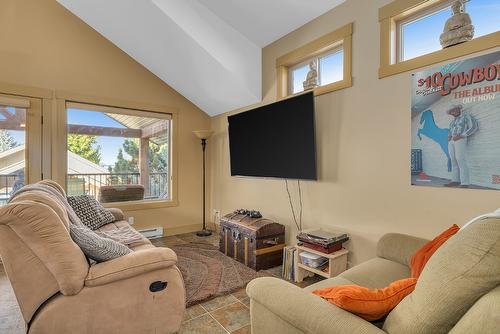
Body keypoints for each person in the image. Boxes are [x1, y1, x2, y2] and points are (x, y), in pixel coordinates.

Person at [444, 105, 478, 188]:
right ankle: (455, 180)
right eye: (451, 111)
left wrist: (462, 136)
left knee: (460, 159)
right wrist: (449, 136)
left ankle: (465, 183)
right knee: (453, 160)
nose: (453, 112)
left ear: (458, 109)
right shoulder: (452, 122)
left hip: (460, 140)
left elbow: (474, 127)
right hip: (451, 141)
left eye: (454, 110)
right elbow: (450, 131)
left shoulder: (466, 116)